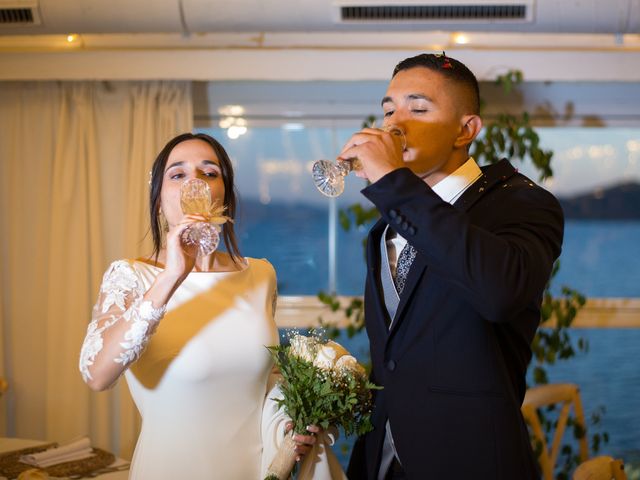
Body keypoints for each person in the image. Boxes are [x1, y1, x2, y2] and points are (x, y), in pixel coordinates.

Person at [344, 53, 564, 479]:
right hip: (382, 461)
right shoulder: (386, 227)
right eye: (388, 108)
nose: (394, 123)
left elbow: (499, 293)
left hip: (472, 461)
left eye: (418, 108)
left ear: (467, 129)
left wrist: (394, 185)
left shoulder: (524, 203)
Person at [79, 133, 343, 479]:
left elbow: (260, 375)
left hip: (253, 468)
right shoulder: (131, 276)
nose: (195, 184)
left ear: (225, 196)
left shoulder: (260, 274)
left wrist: (291, 416)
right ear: (159, 200)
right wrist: (172, 275)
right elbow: (96, 375)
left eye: (209, 173)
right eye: (178, 174)